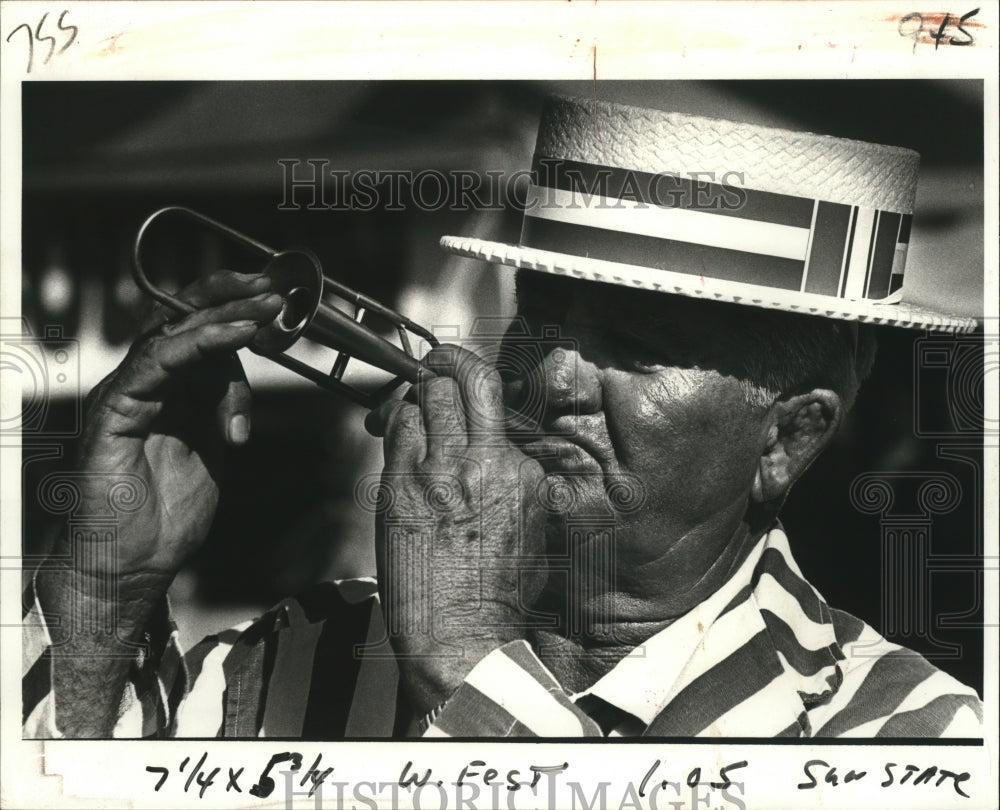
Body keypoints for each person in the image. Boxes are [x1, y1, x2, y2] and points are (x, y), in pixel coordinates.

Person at [23, 95, 983, 739]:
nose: (554, 374)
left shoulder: (905, 730)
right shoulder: (306, 653)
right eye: (540, 315)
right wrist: (103, 598)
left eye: (639, 343)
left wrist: (466, 665)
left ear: (787, 438)